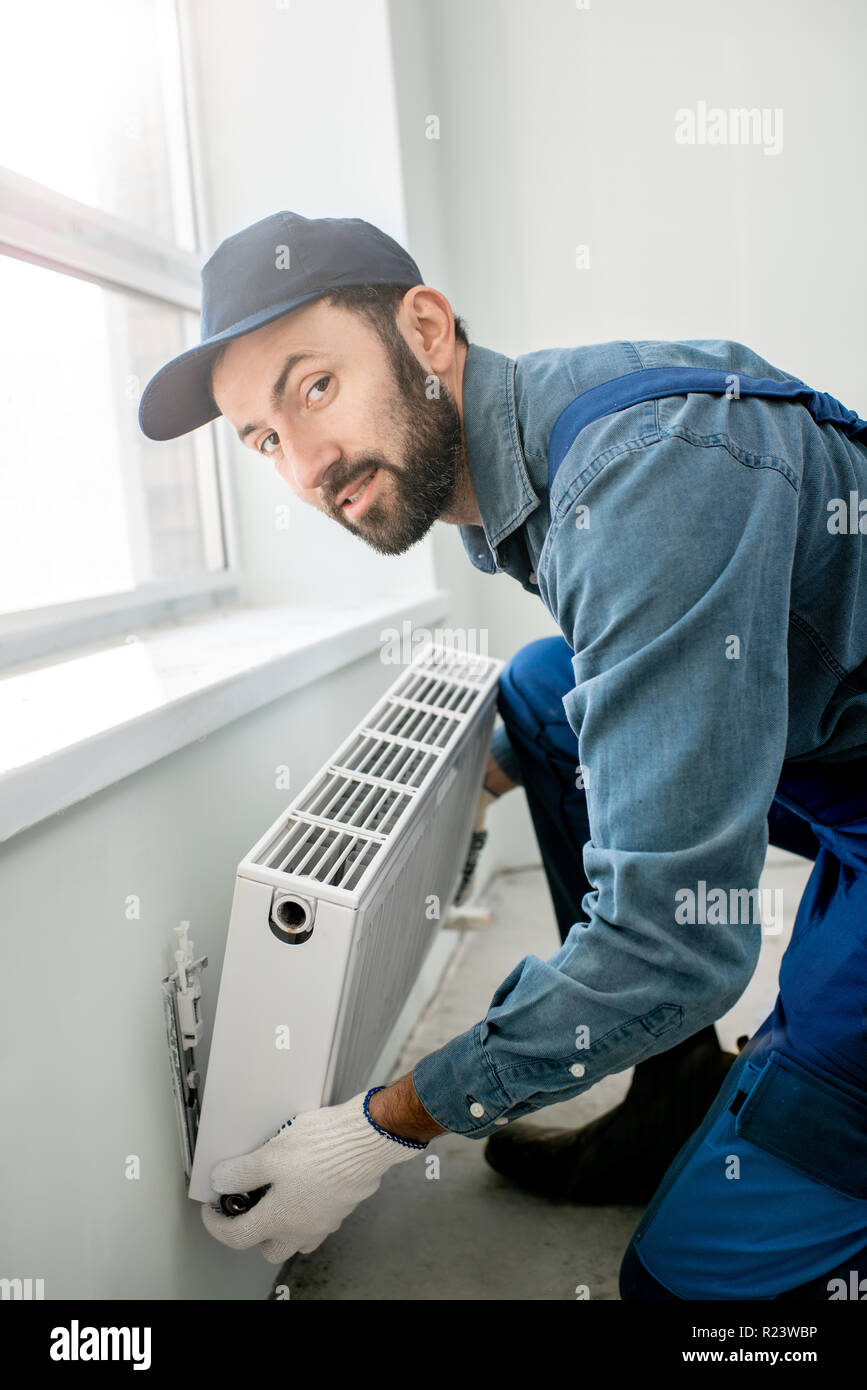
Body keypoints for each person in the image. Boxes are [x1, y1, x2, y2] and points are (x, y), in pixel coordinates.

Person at [139, 210, 867, 1299]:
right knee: (539, 693)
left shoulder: (641, 489)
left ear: (424, 328)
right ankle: (671, 1094)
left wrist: (379, 1129)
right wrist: (460, 804)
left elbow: (674, 950)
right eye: (262, 439)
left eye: (315, 387)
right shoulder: (548, 452)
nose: (305, 465)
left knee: (691, 1290)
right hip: (846, 748)